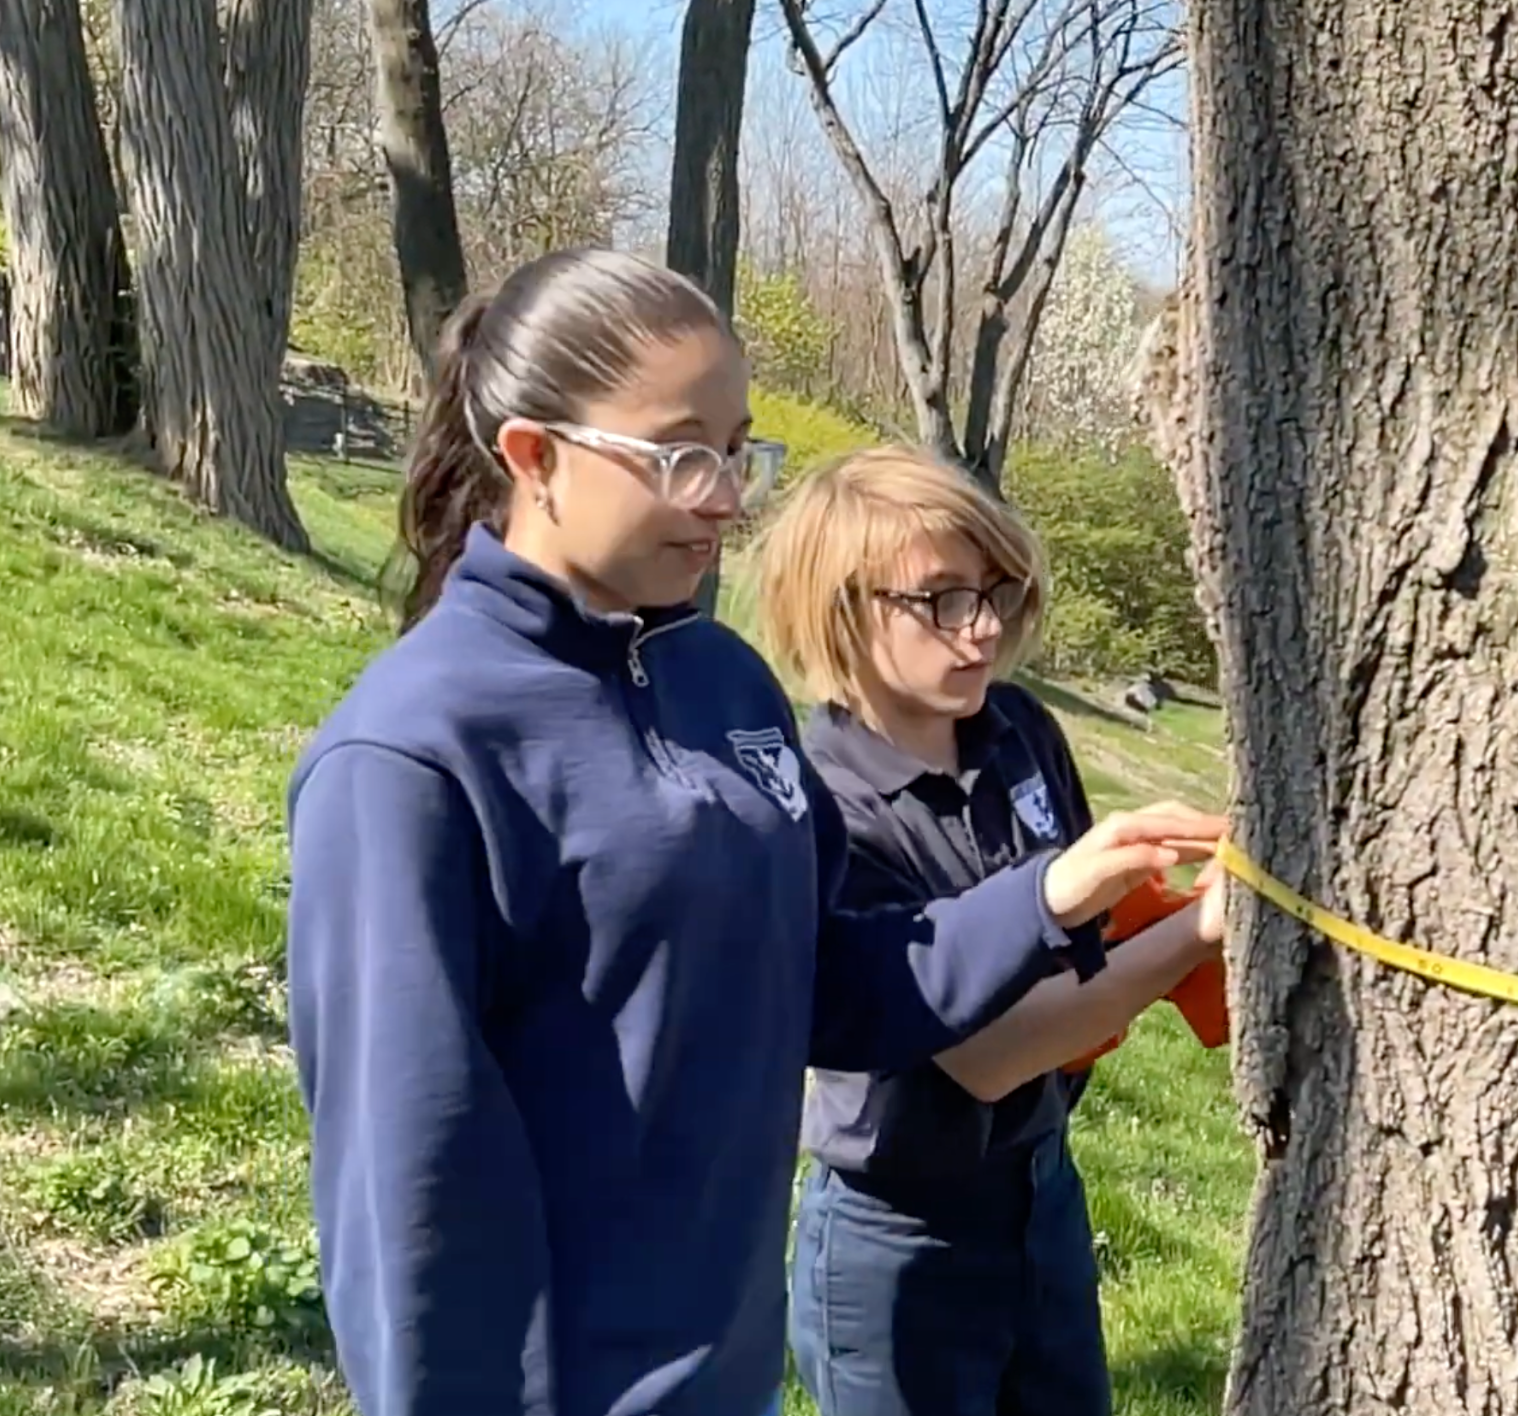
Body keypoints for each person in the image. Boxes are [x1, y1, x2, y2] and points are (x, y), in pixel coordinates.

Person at [281, 248, 1226, 1416]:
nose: (726, 497)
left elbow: (834, 984)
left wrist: (1045, 900)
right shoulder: (411, 754)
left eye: (737, 452)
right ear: (534, 458)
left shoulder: (722, 684)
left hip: (730, 1372)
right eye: (681, 455)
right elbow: (408, 1192)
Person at [751, 446, 1232, 1416]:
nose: (980, 628)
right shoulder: (827, 803)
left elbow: (1083, 955)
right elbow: (985, 1059)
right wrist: (1202, 933)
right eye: (940, 600)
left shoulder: (1017, 729)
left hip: (1041, 1189)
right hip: (901, 1240)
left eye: (994, 593)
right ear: (842, 608)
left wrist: (1158, 916)